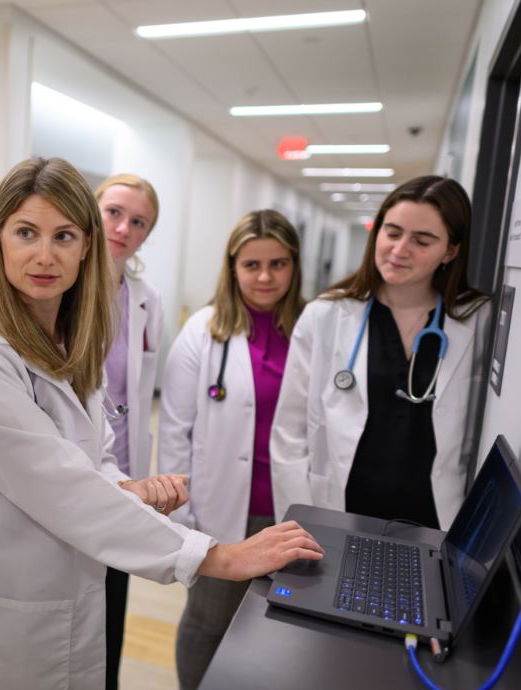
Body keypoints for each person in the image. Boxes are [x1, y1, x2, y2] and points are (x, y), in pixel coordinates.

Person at [0, 157, 323, 690]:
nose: (45, 255)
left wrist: (129, 486)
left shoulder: (74, 341)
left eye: (64, 236)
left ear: (86, 247)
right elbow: (61, 487)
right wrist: (216, 555)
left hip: (75, 587)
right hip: (13, 604)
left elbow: (93, 459)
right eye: (26, 233)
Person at [271, 175, 491, 532]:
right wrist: (298, 527)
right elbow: (289, 434)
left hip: (434, 521)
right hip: (340, 516)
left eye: (422, 240)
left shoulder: (475, 319)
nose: (400, 250)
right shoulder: (326, 315)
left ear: (450, 250)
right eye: (392, 232)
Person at [159, 210, 305, 690]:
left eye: (278, 264)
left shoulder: (310, 330)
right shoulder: (203, 331)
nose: (265, 277)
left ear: (294, 266)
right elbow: (175, 430)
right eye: (252, 265)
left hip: (290, 511)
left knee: (278, 630)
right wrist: (182, 516)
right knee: (207, 624)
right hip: (221, 511)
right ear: (233, 267)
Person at [94, 173, 164, 689]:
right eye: (114, 211)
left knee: (112, 601)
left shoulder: (145, 300)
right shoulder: (63, 284)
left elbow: (141, 391)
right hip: (77, 470)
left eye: (138, 222)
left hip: (124, 477)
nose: (122, 227)